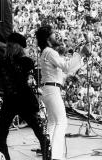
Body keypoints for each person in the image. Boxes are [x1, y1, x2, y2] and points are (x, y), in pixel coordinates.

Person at [35, 25, 90, 160]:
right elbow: (66, 67)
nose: (57, 36)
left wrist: (68, 75)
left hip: (48, 89)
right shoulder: (50, 52)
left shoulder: (46, 52)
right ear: (48, 38)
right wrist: (80, 54)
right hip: (52, 90)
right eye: (53, 34)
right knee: (62, 121)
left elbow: (62, 72)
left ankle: (47, 152)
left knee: (53, 122)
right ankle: (56, 156)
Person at [0, 32, 51, 160]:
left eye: (10, 45)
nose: (7, 48)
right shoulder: (4, 60)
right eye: (7, 45)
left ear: (17, 47)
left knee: (40, 132)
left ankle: (47, 157)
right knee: (0, 135)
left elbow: (21, 78)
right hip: (9, 101)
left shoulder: (26, 61)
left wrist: (9, 61)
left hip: (24, 100)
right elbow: (2, 80)